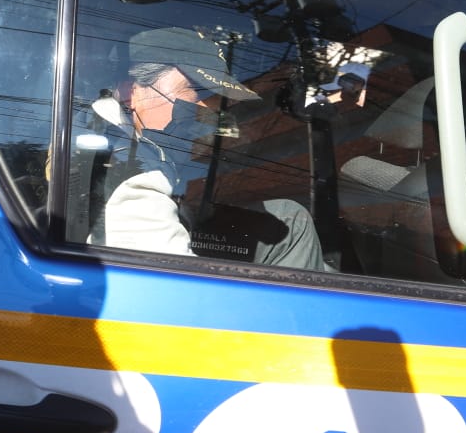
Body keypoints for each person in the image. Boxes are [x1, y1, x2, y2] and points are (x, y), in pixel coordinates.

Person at [89, 27, 328, 271]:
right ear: (130, 91)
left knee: (288, 218)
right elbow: (174, 283)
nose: (208, 108)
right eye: (193, 89)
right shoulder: (135, 169)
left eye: (213, 95)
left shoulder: (105, 134)